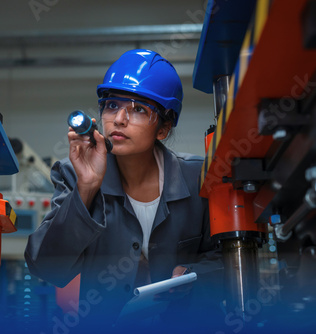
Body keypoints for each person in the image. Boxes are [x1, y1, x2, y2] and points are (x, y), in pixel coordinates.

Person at [24, 49, 223, 331]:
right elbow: (45, 267)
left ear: (164, 129)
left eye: (138, 109)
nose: (118, 119)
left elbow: (232, 262)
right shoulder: (73, 173)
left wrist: (195, 276)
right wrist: (88, 186)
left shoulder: (199, 178)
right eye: (111, 105)